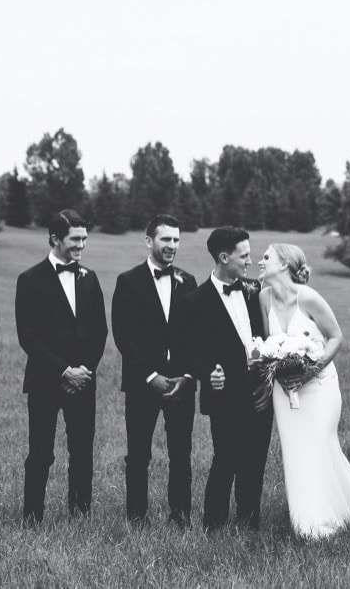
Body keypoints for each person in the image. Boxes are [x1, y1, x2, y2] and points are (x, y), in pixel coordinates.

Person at [259, 244, 350, 538]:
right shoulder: (263, 298)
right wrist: (280, 372)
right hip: (285, 389)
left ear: (284, 264)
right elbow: (270, 345)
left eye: (266, 257)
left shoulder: (307, 297)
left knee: (319, 442)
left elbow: (336, 337)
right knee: (295, 449)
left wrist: (310, 370)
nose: (260, 261)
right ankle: (307, 517)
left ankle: (320, 521)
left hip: (319, 386)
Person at [176, 225, 273, 531]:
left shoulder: (254, 290)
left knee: (255, 461)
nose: (249, 261)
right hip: (225, 394)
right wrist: (208, 373)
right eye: (243, 256)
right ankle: (213, 526)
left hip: (259, 389)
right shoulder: (195, 300)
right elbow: (187, 351)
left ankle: (249, 522)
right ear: (223, 257)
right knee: (226, 460)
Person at [15, 208, 108, 523]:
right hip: (45, 380)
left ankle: (80, 513)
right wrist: (63, 370)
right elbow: (28, 336)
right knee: (40, 452)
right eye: (75, 238)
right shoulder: (29, 279)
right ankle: (32, 516)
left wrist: (84, 371)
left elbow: (100, 331)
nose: (81, 245)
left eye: (84, 238)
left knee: (82, 451)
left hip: (83, 380)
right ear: (55, 238)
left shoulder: (90, 278)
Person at [111, 213, 198, 526]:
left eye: (176, 239)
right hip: (142, 384)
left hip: (182, 385)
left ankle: (181, 516)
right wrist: (150, 377)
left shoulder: (188, 281)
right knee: (138, 455)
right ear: (149, 241)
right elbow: (124, 336)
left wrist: (188, 376)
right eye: (166, 239)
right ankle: (137, 518)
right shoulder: (128, 282)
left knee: (181, 454)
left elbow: (194, 336)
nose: (172, 245)